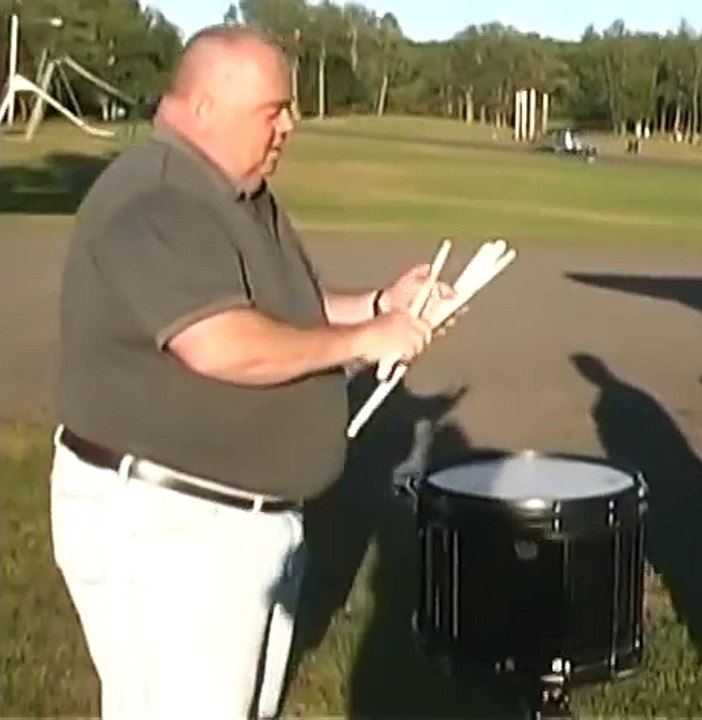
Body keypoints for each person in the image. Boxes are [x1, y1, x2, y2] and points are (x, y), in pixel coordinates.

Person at [50, 25, 456, 719]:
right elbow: (221, 343)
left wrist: (383, 305)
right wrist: (366, 337)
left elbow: (285, 309)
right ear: (205, 108)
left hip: (227, 527)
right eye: (275, 110)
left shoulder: (235, 191)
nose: (291, 126)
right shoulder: (158, 198)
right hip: (172, 529)